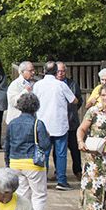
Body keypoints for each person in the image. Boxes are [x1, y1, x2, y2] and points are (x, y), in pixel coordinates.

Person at [5, 91, 51, 210]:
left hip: (15, 163)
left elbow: (7, 145)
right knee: (39, 196)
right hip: (33, 164)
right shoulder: (38, 123)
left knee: (22, 197)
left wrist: (8, 163)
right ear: (36, 107)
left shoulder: (12, 123)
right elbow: (44, 144)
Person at [32, 62, 75, 191]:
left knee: (43, 153)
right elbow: (73, 100)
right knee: (61, 154)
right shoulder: (61, 85)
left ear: (44, 71)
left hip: (43, 124)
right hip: (59, 123)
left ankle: (42, 180)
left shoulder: (37, 85)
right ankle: (61, 180)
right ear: (56, 71)